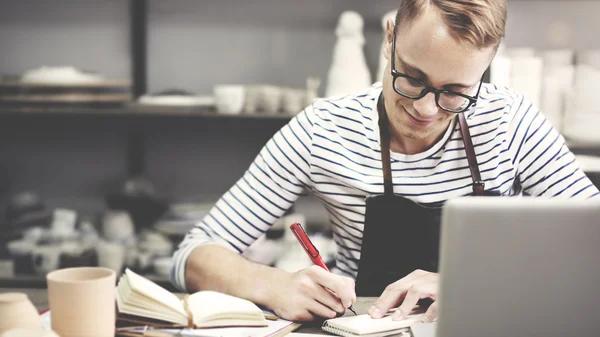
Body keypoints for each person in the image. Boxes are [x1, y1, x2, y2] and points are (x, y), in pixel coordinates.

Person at [172, 0, 600, 323]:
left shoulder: (509, 120)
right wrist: (273, 284)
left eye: (454, 91)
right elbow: (191, 254)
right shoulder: (324, 129)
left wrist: (467, 287)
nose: (427, 110)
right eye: (412, 79)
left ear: (487, 67)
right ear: (390, 37)